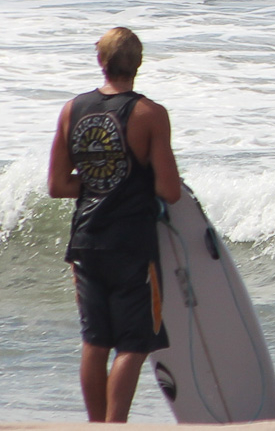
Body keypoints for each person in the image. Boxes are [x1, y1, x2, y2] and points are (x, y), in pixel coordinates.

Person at [47, 27, 181, 423]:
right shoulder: (149, 114)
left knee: (95, 339)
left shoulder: (72, 109)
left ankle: (95, 424)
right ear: (138, 64)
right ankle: (114, 425)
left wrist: (98, 184)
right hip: (131, 245)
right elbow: (169, 189)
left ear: (100, 61)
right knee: (133, 343)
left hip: (86, 241)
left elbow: (58, 185)